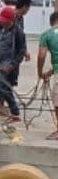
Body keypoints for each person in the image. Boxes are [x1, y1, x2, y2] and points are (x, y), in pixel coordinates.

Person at [36, 11, 58, 139]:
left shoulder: (46, 35)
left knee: (57, 101)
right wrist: (49, 73)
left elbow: (41, 55)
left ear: (51, 22)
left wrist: (40, 72)